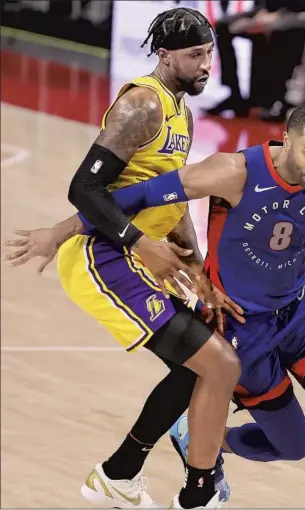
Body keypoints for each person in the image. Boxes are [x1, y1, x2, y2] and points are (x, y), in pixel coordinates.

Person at [6, 103, 305, 509]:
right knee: (292, 447)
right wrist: (62, 230)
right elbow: (136, 195)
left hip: (301, 314)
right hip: (238, 323)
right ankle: (201, 438)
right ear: (286, 141)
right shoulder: (234, 171)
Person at [5, 7, 243, 510]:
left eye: (209, 54)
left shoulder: (182, 109)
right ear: (164, 55)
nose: (205, 65)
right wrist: (140, 243)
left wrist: (198, 269)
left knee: (204, 363)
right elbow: (83, 188)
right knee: (217, 363)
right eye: (195, 55)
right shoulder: (143, 105)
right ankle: (187, 485)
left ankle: (120, 474)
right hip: (103, 256)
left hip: (135, 255)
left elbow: (171, 197)